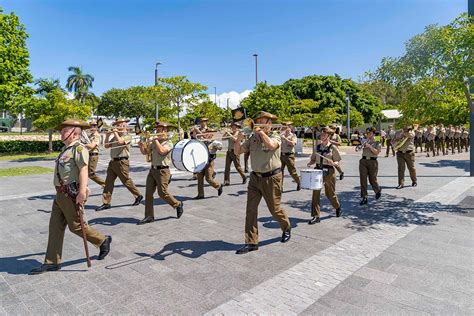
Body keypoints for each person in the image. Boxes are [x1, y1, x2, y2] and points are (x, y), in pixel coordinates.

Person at [30, 119, 111, 275]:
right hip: (60, 194)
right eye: (62, 131)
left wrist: (82, 192)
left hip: (70, 195)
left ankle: (102, 240)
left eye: (64, 131)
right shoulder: (65, 149)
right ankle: (52, 261)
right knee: (55, 227)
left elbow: (83, 170)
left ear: (75, 133)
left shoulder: (79, 149)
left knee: (77, 227)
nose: (61, 133)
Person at [234, 111, 291, 254]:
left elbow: (272, 146)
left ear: (269, 123)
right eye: (257, 120)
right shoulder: (252, 138)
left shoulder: (276, 135)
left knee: (275, 209)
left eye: (262, 121)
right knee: (250, 210)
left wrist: (261, 133)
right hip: (255, 178)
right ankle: (251, 242)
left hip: (272, 177)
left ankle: (286, 226)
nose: (258, 123)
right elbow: (237, 151)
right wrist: (239, 138)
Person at [137, 121, 183, 225]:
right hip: (153, 169)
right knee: (148, 193)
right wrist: (141, 146)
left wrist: (156, 141)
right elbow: (145, 152)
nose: (157, 131)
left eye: (159, 129)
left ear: (165, 131)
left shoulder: (168, 142)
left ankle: (177, 204)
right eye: (156, 129)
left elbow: (162, 151)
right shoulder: (154, 142)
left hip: (163, 170)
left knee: (162, 193)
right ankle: (149, 216)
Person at [95, 118, 143, 211]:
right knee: (108, 182)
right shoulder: (114, 136)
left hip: (122, 161)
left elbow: (121, 142)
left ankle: (138, 195)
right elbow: (106, 145)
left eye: (120, 124)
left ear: (125, 125)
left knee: (126, 180)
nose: (118, 126)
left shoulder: (127, 135)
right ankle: (106, 202)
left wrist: (115, 132)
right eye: (117, 124)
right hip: (113, 161)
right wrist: (108, 135)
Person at [306, 127, 342, 224]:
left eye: (324, 135)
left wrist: (334, 163)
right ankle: (315, 215)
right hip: (318, 171)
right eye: (321, 135)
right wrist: (310, 163)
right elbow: (313, 159)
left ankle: (337, 206)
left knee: (329, 193)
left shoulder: (333, 148)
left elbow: (337, 161)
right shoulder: (317, 147)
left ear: (329, 136)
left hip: (329, 171)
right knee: (315, 193)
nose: (322, 136)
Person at [193, 118, 223, 199]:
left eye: (204, 121)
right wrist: (196, 131)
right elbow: (194, 138)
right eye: (201, 121)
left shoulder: (212, 140)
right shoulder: (199, 134)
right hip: (200, 160)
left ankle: (218, 186)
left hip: (209, 161)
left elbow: (219, 145)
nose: (202, 123)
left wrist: (218, 146)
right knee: (199, 178)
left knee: (209, 179)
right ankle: (200, 194)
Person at [358, 127, 382, 205]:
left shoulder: (377, 141)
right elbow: (357, 149)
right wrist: (361, 145)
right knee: (363, 179)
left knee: (372, 179)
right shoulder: (364, 140)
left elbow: (377, 152)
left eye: (370, 133)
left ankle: (377, 190)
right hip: (363, 161)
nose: (368, 135)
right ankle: (364, 197)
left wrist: (370, 146)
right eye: (367, 133)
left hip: (373, 161)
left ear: (373, 134)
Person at [84, 120, 106, 187]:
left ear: (97, 127)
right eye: (91, 126)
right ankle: (83, 187)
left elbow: (92, 146)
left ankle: (105, 184)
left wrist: (82, 144)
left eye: (94, 126)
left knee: (91, 174)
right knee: (83, 172)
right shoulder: (90, 136)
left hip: (93, 156)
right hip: (88, 155)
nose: (92, 128)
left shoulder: (97, 136)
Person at [280, 122, 301, 191]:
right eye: (285, 126)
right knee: (280, 172)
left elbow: (292, 143)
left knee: (292, 172)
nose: (285, 128)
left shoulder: (293, 135)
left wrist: (285, 139)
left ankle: (298, 182)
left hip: (289, 156)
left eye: (287, 126)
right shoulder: (281, 135)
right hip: (281, 155)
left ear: (290, 127)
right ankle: (280, 187)